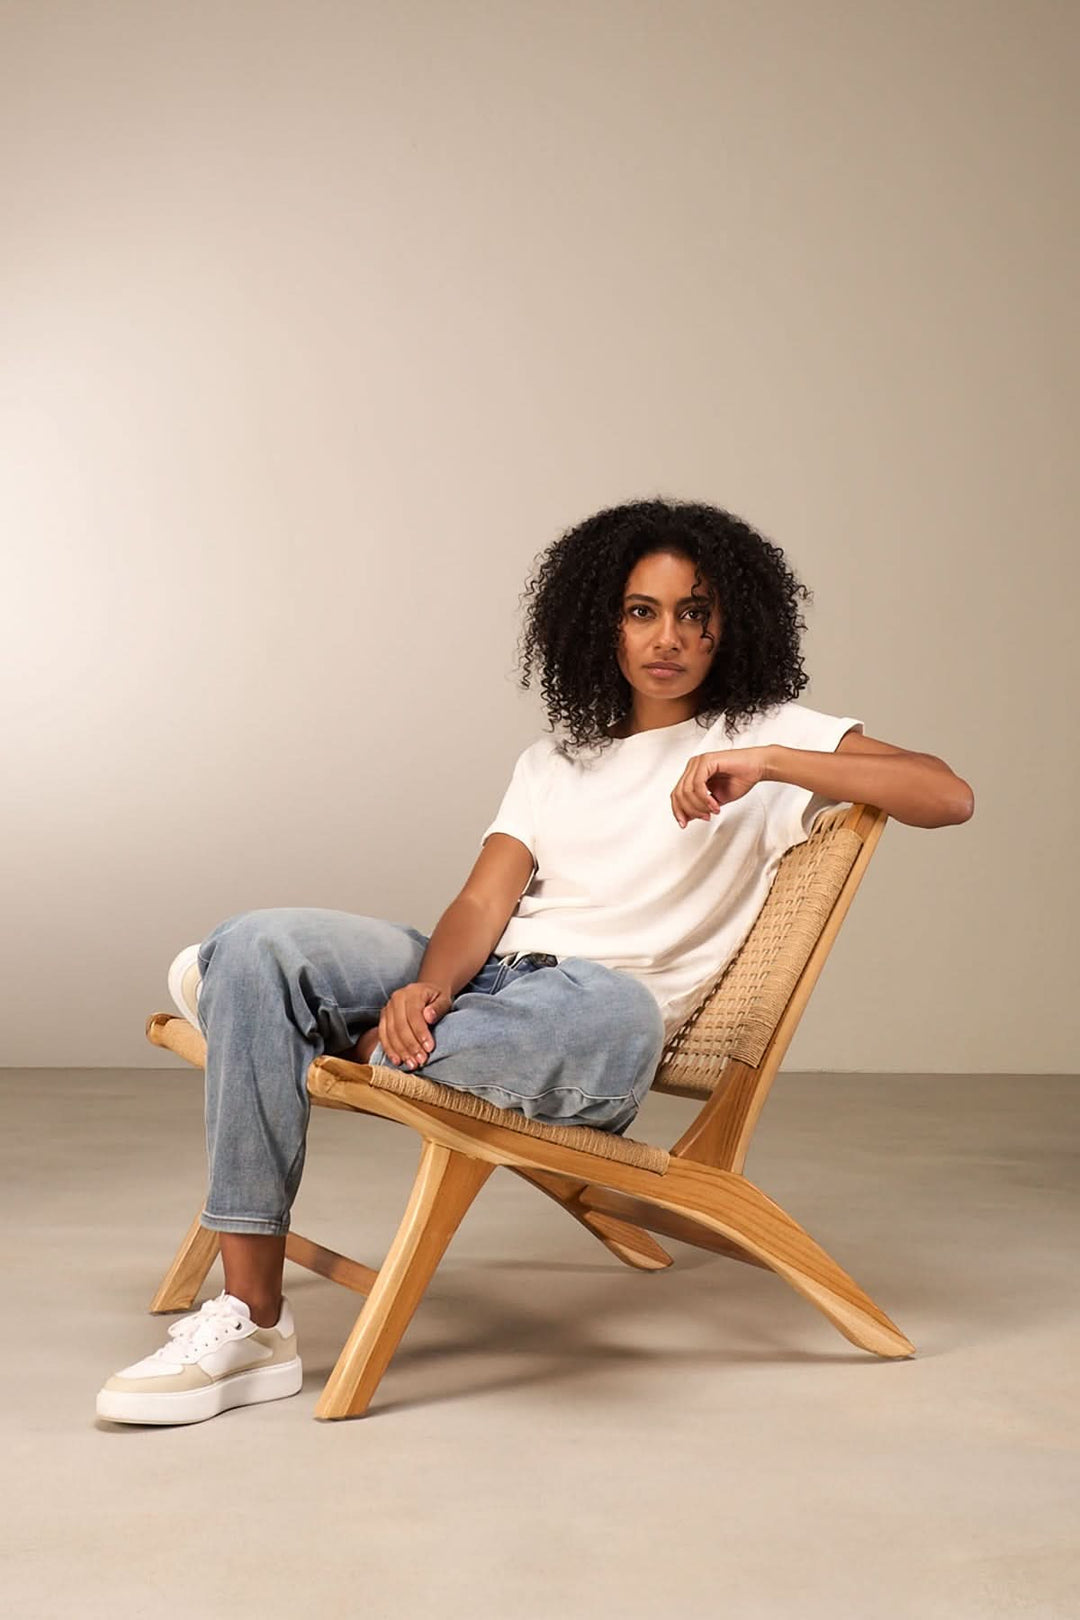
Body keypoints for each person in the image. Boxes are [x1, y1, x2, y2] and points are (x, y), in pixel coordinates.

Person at [96, 497, 974, 1425]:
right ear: (602, 621)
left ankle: (261, 1019)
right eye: (642, 611)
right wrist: (427, 988)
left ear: (732, 624)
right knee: (259, 938)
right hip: (490, 984)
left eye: (694, 612)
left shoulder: (767, 734)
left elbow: (944, 794)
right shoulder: (557, 759)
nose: (667, 637)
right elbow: (484, 902)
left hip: (592, 1012)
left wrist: (771, 760)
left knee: (571, 1014)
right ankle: (252, 1318)